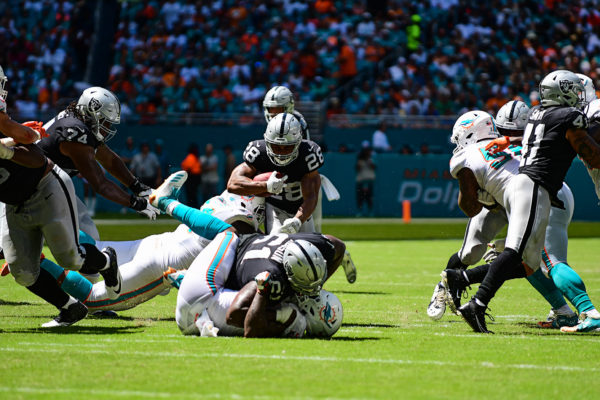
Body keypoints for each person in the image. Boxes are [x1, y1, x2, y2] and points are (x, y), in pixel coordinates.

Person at [447, 95, 600, 333]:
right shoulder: (559, 119)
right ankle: (579, 311)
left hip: (538, 189)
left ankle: (471, 294)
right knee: (530, 262)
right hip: (542, 188)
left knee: (535, 257)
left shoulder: (538, 120)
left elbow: (470, 206)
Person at [0, 70, 122, 327]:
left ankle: (107, 260)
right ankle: (70, 308)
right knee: (22, 272)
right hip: (13, 202)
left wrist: (8, 151)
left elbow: (37, 159)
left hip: (45, 186)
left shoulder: (17, 134)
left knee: (71, 258)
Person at [38, 87, 158, 242]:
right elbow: (100, 184)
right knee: (15, 247)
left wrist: (138, 187)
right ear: (91, 113)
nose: (107, 129)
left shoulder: (78, 122)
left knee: (88, 238)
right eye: (105, 122)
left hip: (45, 187)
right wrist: (137, 203)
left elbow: (109, 159)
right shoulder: (74, 132)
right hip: (26, 188)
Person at [228, 112, 323, 234]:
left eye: (287, 147)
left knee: (311, 246)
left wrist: (298, 220)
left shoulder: (308, 154)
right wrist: (266, 186)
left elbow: (311, 196)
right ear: (267, 142)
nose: (281, 153)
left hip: (301, 207)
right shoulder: (258, 152)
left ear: (298, 143)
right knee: (278, 244)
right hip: (272, 207)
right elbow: (233, 184)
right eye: (276, 147)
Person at [356, 145, 376, 217]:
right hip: (361, 180)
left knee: (369, 197)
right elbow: (357, 168)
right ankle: (360, 212)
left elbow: (374, 167)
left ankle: (370, 212)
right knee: (360, 197)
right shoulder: (360, 160)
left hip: (369, 180)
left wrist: (369, 160)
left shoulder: (372, 159)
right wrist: (361, 161)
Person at [180, 143, 202, 208]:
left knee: (192, 195)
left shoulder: (193, 157)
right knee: (192, 195)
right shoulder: (192, 157)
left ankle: (193, 207)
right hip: (191, 177)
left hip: (193, 178)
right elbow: (188, 167)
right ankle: (192, 207)